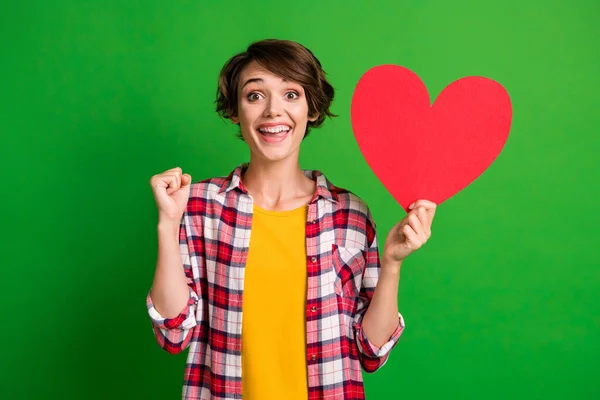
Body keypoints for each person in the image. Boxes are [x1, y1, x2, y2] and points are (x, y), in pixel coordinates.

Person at [146, 39, 436, 400]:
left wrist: (391, 263)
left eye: (291, 94)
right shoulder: (201, 207)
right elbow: (174, 333)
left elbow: (371, 351)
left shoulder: (350, 214)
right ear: (236, 111)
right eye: (255, 95)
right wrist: (168, 223)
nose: (273, 111)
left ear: (311, 109)